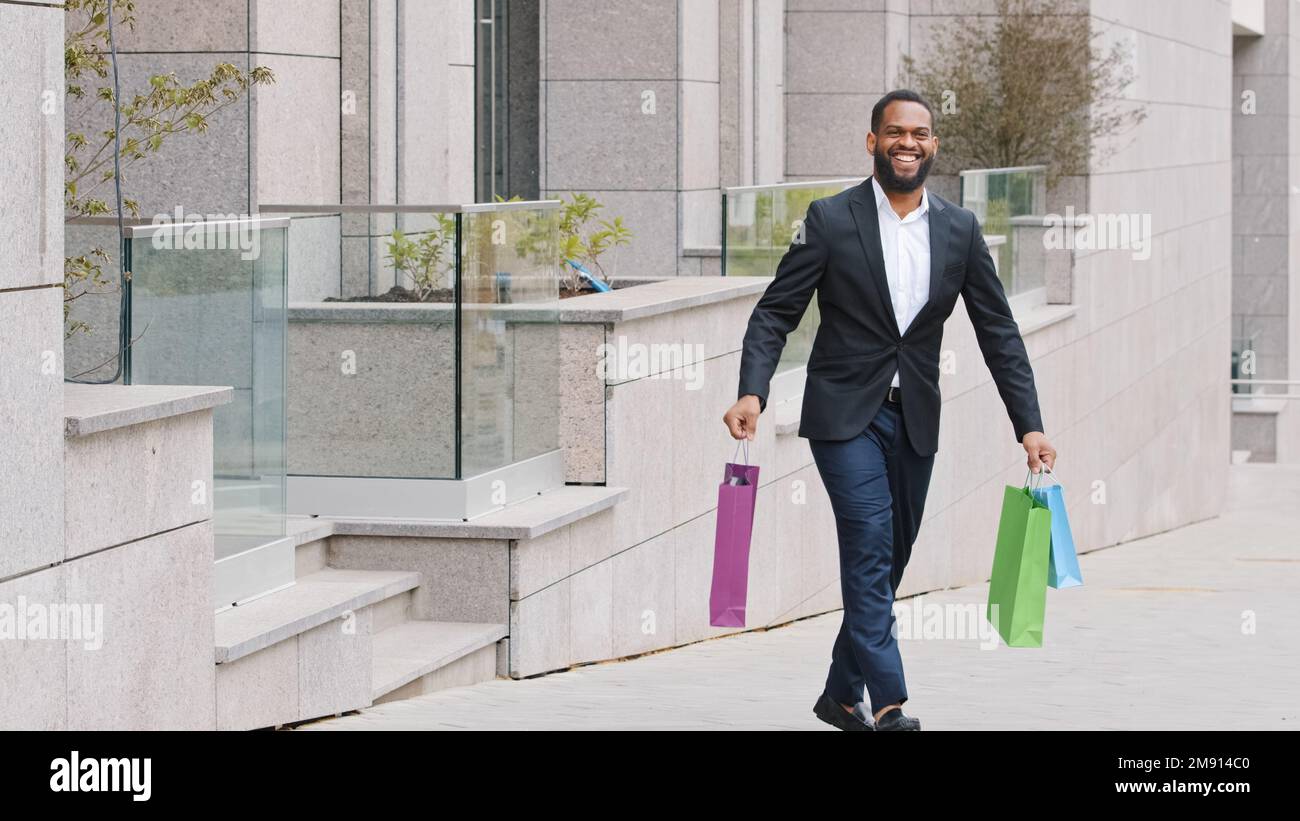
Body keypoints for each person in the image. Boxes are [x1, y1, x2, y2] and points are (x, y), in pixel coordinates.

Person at [722, 89, 1057, 731]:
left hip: (915, 419)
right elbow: (775, 311)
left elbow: (999, 333)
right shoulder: (830, 219)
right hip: (843, 415)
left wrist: (1030, 425)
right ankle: (890, 704)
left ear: (934, 145)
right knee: (870, 544)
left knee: (890, 556)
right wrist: (752, 390)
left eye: (920, 133)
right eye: (896, 132)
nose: (909, 143)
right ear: (873, 141)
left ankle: (839, 695)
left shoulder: (960, 230)